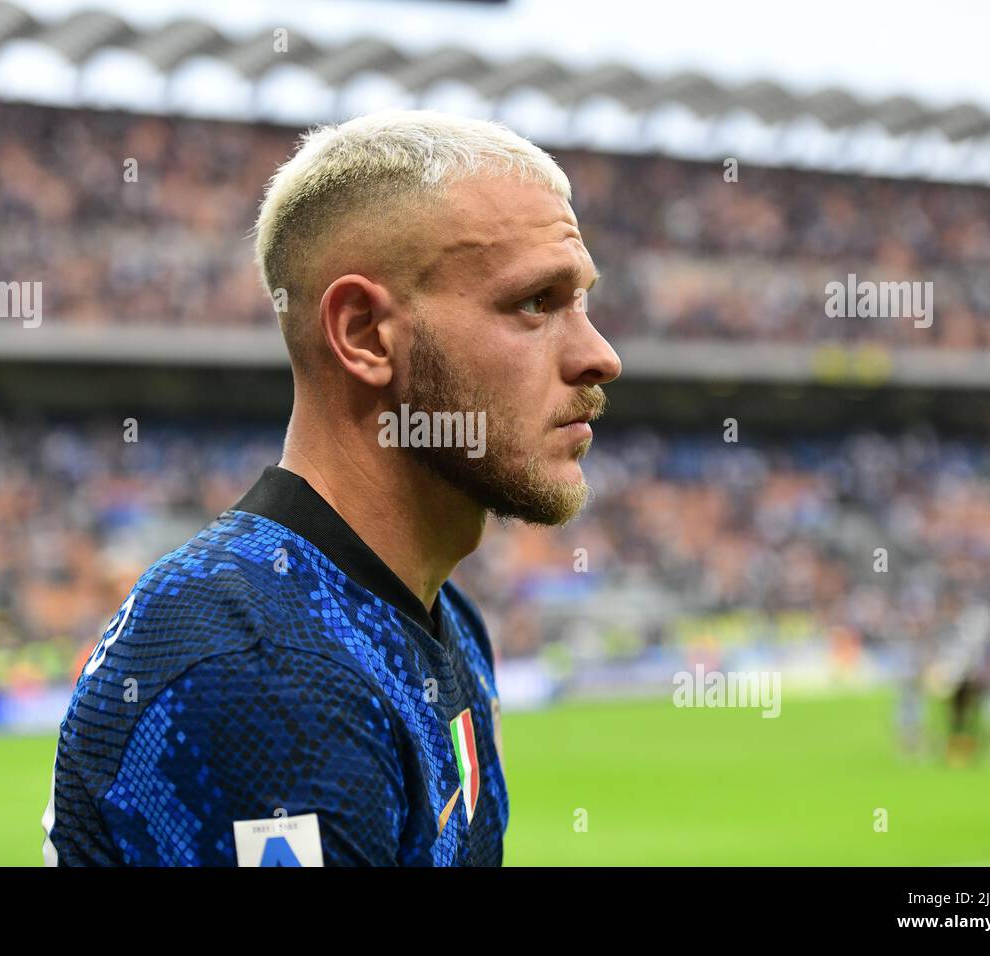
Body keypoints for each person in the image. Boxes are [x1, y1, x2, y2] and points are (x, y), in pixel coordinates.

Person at [42, 109, 622, 865]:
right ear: (363, 334)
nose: (600, 356)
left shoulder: (445, 621)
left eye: (582, 302)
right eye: (536, 303)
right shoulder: (265, 669)